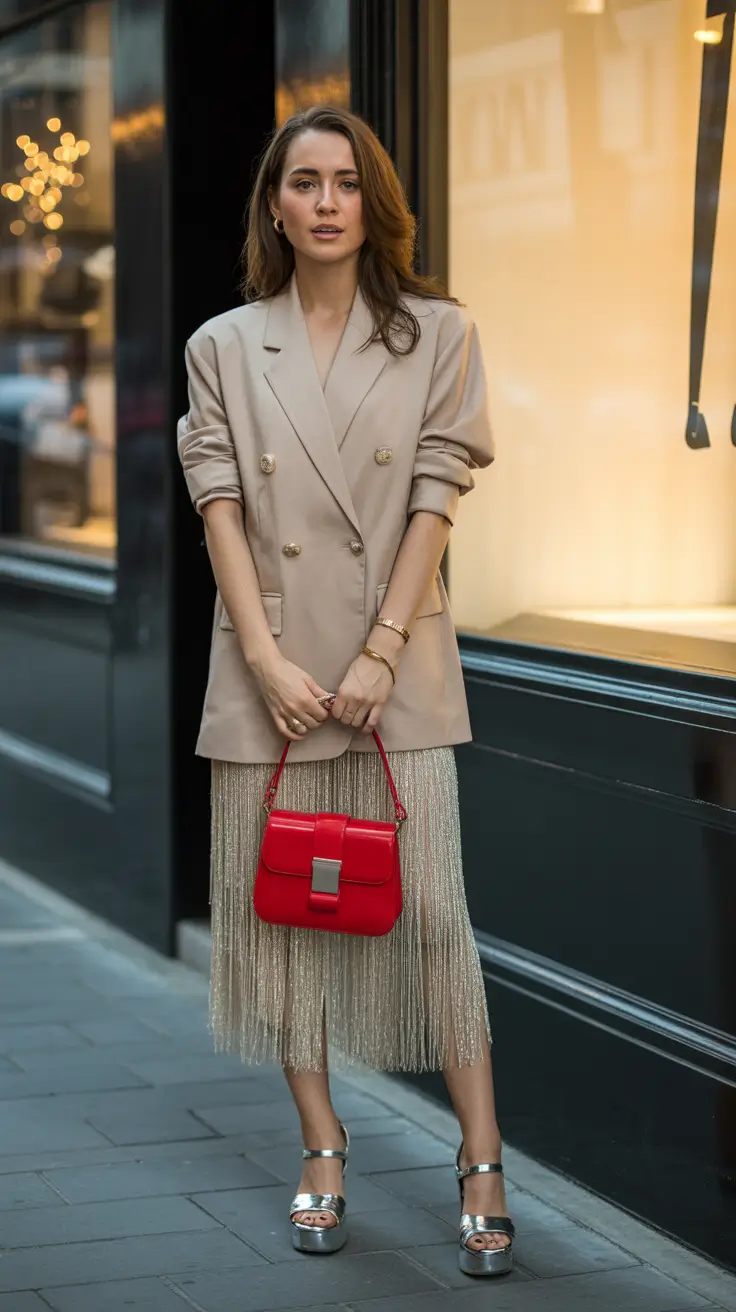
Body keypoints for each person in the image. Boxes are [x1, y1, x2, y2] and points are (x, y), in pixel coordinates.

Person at [177, 104, 515, 1278]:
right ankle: (321, 1143)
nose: (326, 202)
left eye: (346, 183)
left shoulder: (436, 332)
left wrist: (377, 649)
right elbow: (218, 501)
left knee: (431, 916)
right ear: (273, 203)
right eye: (303, 182)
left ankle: (480, 1152)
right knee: (285, 927)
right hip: (268, 668)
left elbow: (437, 491)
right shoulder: (223, 344)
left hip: (393, 666)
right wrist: (267, 658)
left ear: (375, 202)